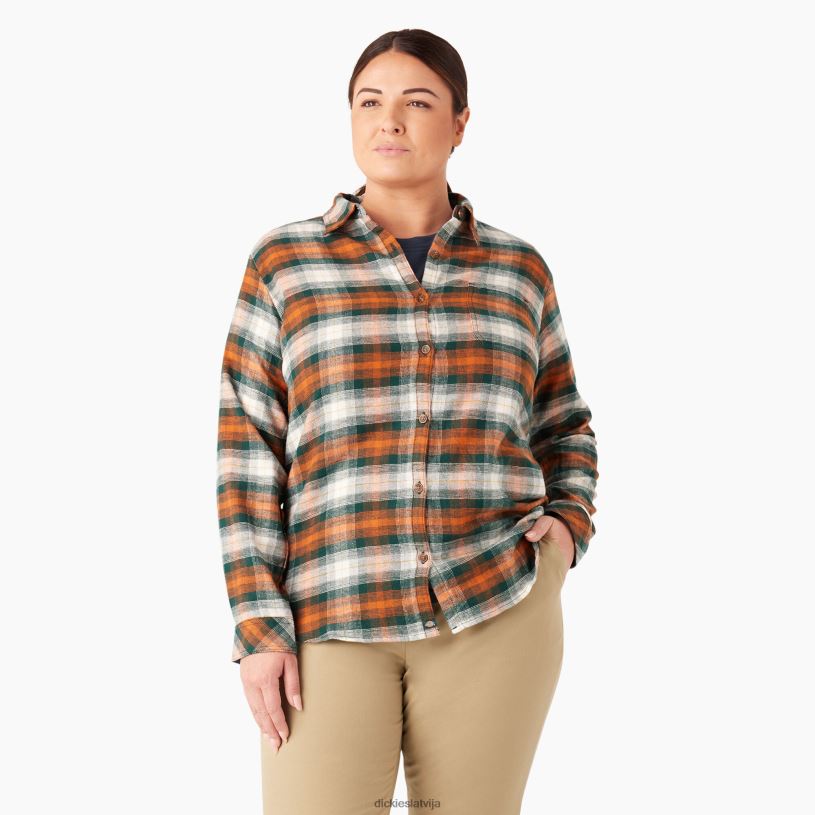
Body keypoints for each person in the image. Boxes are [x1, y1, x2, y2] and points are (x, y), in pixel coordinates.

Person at [216, 28, 599, 815]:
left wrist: (564, 531)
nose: (388, 120)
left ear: (460, 123)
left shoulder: (517, 269)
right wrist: (258, 621)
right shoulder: (285, 263)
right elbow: (247, 450)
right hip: (329, 611)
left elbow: (562, 422)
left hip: (494, 605)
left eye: (416, 102)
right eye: (369, 102)